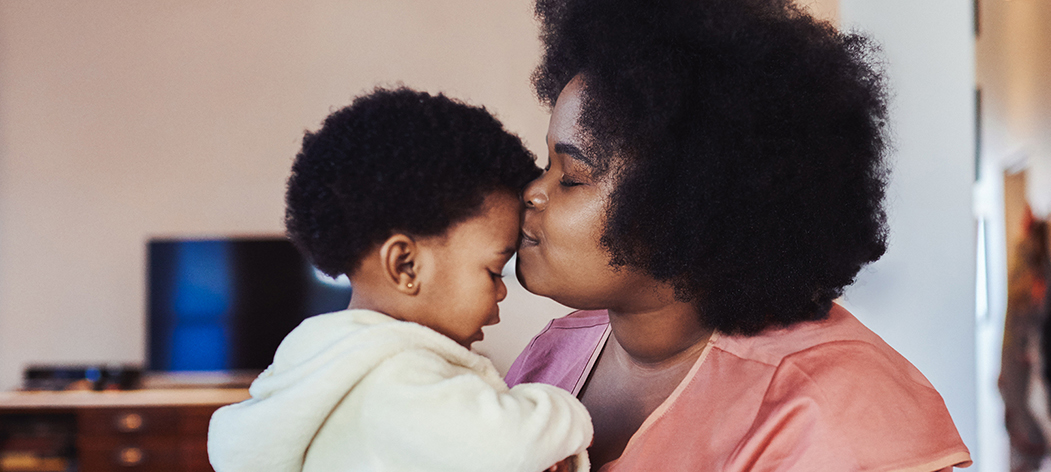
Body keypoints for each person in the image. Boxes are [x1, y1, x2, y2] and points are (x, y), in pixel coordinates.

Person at [503, 0, 973, 469]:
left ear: (684, 202)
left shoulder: (833, 410)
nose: (532, 192)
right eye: (547, 165)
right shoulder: (552, 357)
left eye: (571, 176)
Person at [208, 87, 591, 472]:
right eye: (493, 272)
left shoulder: (316, 362)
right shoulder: (399, 376)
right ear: (405, 266)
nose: (502, 295)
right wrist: (566, 413)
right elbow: (511, 446)